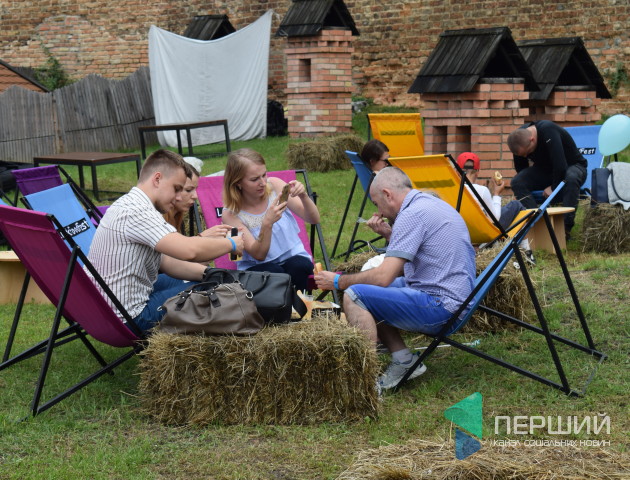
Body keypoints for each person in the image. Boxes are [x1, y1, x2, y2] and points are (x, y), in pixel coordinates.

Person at [315, 167, 476, 390]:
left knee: (355, 294)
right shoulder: (429, 203)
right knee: (372, 289)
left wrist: (337, 281)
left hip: (443, 307)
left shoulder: (411, 215)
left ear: (388, 194)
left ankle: (365, 381)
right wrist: (391, 235)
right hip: (455, 297)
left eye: (376, 204)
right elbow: (421, 255)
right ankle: (404, 361)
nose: (378, 212)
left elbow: (383, 277)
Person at [87, 149, 244, 333]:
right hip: (130, 317)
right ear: (157, 179)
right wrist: (232, 244)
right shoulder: (138, 212)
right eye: (177, 188)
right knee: (212, 292)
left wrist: (210, 272)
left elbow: (167, 262)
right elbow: (189, 251)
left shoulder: (130, 203)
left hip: (105, 309)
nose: (179, 197)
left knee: (208, 280)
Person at [221, 148, 320, 293]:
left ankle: (300, 309)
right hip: (258, 265)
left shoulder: (275, 186)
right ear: (237, 183)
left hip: (292, 256)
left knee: (298, 266)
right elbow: (259, 255)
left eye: (264, 175)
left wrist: (304, 196)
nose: (262, 182)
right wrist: (267, 223)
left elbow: (313, 219)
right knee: (273, 273)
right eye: (254, 179)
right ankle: (282, 312)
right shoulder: (231, 214)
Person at [507, 120, 587, 239]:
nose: (526, 157)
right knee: (517, 182)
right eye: (522, 155)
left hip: (572, 166)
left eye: (528, 153)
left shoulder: (548, 130)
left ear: (532, 140)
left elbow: (560, 165)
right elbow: (521, 169)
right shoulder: (518, 139)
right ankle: (538, 225)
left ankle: (564, 230)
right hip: (546, 170)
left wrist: (554, 188)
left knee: (571, 177)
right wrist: (522, 193)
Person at [456, 152, 535, 265]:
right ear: (478, 172)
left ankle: (497, 245)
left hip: (463, 233)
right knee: (516, 205)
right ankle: (526, 253)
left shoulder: (453, 190)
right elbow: (495, 219)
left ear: (457, 171)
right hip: (485, 234)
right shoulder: (481, 191)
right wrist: (497, 194)